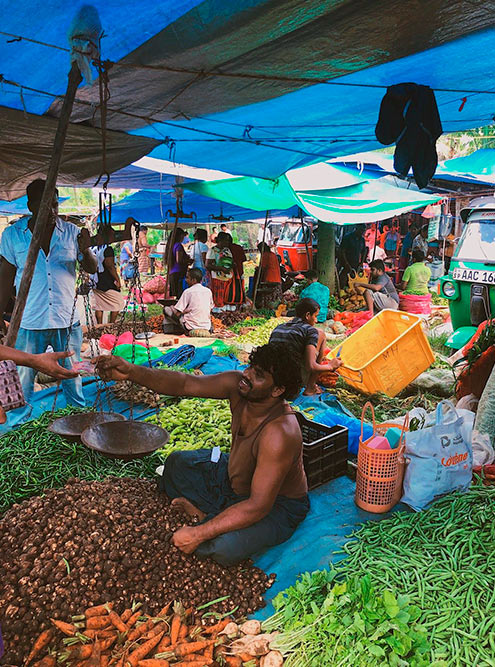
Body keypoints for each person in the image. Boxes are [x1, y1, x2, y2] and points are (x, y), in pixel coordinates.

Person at [95, 342, 310, 566]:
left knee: (224, 548)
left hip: (276, 504)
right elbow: (185, 383)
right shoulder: (238, 387)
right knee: (176, 464)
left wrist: (198, 534)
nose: (246, 375)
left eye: (258, 375)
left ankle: (210, 519)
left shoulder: (279, 433)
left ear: (277, 390)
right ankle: (212, 516)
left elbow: (258, 506)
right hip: (234, 477)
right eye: (250, 366)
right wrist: (131, 371)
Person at [0, 179, 97, 426]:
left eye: (55, 204)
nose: (53, 211)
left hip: (66, 318)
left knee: (72, 375)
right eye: (46, 205)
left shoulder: (72, 233)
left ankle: (78, 421)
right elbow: (6, 277)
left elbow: (91, 267)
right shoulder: (13, 235)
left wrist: (85, 251)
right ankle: (17, 428)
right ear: (31, 205)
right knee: (22, 379)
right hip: (30, 319)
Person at [269, 298, 342, 395]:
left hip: (272, 379)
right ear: (307, 315)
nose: (316, 321)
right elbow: (311, 366)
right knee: (321, 334)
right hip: (291, 383)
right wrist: (330, 366)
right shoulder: (310, 331)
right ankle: (310, 387)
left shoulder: (279, 327)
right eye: (315, 316)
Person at [163, 268, 214, 335]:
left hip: (190, 326)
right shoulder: (208, 291)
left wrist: (172, 307)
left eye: (187, 278)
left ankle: (176, 329)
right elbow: (210, 308)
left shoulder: (188, 292)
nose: (186, 280)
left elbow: (178, 313)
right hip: (206, 326)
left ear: (193, 280)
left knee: (166, 309)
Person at [91, 245, 125, 324]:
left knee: (99, 304)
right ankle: (111, 324)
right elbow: (110, 266)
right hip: (106, 281)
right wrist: (117, 279)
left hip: (95, 280)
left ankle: (99, 325)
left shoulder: (93, 248)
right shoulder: (107, 249)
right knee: (118, 302)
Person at [206, 232, 233, 312]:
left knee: (226, 298)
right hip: (217, 278)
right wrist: (221, 268)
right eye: (226, 241)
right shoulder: (212, 251)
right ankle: (218, 315)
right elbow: (207, 265)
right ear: (220, 240)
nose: (227, 243)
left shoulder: (227, 250)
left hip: (228, 278)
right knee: (218, 299)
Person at [255, 242, 282, 309]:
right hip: (277, 278)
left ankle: (267, 308)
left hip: (269, 279)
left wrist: (258, 269)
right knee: (275, 299)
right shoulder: (273, 254)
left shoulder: (265, 255)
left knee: (268, 297)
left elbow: (262, 268)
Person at [167, 228, 192, 298]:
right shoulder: (178, 245)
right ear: (179, 236)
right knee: (179, 294)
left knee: (175, 295)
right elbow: (179, 260)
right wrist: (188, 261)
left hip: (173, 272)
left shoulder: (171, 245)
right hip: (178, 273)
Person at [225, 234, 247, 311]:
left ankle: (231, 305)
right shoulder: (238, 247)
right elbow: (244, 259)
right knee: (239, 288)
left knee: (229, 290)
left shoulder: (225, 249)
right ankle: (238, 306)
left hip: (229, 273)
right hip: (239, 271)